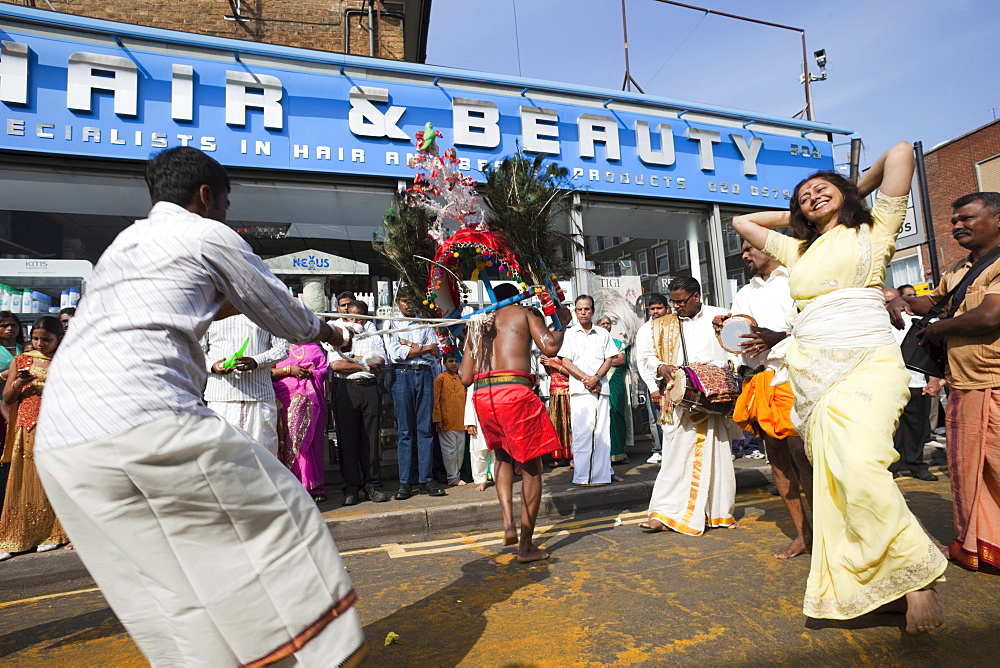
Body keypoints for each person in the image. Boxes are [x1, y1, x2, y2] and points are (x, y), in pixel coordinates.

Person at [33, 147, 365, 666]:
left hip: (62, 444)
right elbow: (283, 313)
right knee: (286, 511)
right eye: (226, 204)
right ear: (206, 196)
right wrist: (334, 330)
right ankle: (324, 653)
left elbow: (208, 298)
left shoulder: (127, 244)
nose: (227, 214)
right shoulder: (208, 233)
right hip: (145, 418)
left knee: (170, 589)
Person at [733, 140, 946, 634]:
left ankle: (918, 579)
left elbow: (899, 155)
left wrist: (853, 192)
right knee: (835, 478)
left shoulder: (874, 228)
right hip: (813, 373)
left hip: (868, 360)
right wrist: (802, 214)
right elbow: (746, 222)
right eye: (803, 195)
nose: (811, 196)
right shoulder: (798, 247)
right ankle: (879, 582)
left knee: (860, 463)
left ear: (848, 195)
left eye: (820, 189)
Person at [889, 191, 1000, 572]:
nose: (956, 226)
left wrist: (939, 329)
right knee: (970, 474)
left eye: (966, 218)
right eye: (954, 221)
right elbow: (933, 303)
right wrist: (900, 303)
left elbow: (990, 315)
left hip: (996, 385)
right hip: (963, 385)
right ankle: (981, 545)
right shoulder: (957, 269)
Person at [460, 282, 571, 562]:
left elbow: (464, 377)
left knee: (502, 458)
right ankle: (526, 547)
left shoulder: (477, 324)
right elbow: (550, 347)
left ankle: (508, 523)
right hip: (514, 392)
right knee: (532, 466)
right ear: (519, 297)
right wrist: (563, 323)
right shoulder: (524, 313)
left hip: (484, 396)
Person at [716, 241, 813, 559]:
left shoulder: (799, 280)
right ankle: (804, 535)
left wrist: (780, 336)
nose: (743, 254)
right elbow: (740, 338)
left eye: (749, 248)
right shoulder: (745, 293)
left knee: (804, 456)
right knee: (779, 460)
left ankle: (828, 534)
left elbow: (817, 326)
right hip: (761, 380)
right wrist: (725, 331)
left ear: (771, 248)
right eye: (741, 248)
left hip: (797, 375)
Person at [638, 277, 738, 536]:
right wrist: (661, 368)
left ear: (696, 296)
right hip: (679, 400)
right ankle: (663, 513)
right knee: (674, 457)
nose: (677, 307)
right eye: (674, 302)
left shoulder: (720, 316)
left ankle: (716, 512)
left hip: (714, 399)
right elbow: (645, 357)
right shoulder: (660, 326)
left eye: (682, 301)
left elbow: (737, 351)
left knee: (717, 456)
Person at [0, 317, 69, 561]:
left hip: (56, 427)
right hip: (26, 427)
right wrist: (19, 382)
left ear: (59, 339)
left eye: (46, 339)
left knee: (50, 478)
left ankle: (53, 533)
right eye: (36, 338)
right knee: (22, 480)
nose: (40, 343)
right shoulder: (21, 360)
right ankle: (16, 535)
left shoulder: (67, 362)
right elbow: (7, 398)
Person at [386, 294, 446, 500]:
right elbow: (395, 354)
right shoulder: (391, 323)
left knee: (425, 430)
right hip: (402, 375)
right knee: (405, 431)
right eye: (405, 301)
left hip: (424, 374)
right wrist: (424, 348)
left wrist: (411, 347)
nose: (409, 305)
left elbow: (435, 352)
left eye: (412, 301)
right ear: (398, 303)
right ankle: (405, 482)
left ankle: (426, 480)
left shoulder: (425, 322)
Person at [329, 300, 389, 506]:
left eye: (359, 317)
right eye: (350, 317)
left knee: (371, 439)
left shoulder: (372, 333)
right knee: (347, 440)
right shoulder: (337, 334)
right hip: (346, 389)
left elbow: (380, 361)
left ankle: (372, 485)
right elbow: (336, 365)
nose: (354, 321)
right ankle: (351, 487)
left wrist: (354, 361)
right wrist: (364, 363)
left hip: (369, 389)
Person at [204, 313, 288, 456]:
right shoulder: (209, 313)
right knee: (222, 455)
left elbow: (283, 348)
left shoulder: (265, 311)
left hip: (259, 397)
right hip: (221, 397)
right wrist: (213, 365)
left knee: (263, 454)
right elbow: (195, 351)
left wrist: (257, 361)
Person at [881, 287, 939, 482]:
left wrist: (933, 380)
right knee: (890, 429)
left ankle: (916, 465)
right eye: (885, 301)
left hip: (915, 382)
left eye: (892, 301)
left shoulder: (917, 322)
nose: (889, 305)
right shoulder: (876, 325)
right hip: (887, 385)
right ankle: (892, 467)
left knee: (916, 427)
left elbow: (928, 353)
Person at [559, 295, 617, 486]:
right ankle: (582, 476)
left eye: (587, 309)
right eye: (579, 309)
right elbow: (566, 361)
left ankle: (602, 475)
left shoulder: (602, 333)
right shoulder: (570, 333)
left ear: (593, 311)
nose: (583, 312)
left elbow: (609, 359)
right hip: (579, 390)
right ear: (575, 311)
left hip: (601, 388)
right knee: (582, 434)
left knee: (602, 434)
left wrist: (597, 378)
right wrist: (586, 379)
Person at [272, 341, 331, 503]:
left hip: (311, 401)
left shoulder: (314, 346)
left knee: (311, 442)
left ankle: (315, 487)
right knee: (288, 442)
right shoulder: (277, 346)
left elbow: (325, 370)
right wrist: (290, 370)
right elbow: (268, 372)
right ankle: (292, 486)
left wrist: (312, 373)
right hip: (285, 400)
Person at [635, 294, 670, 465]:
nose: (656, 312)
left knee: (676, 418)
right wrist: (652, 387)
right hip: (655, 380)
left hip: (676, 378)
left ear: (667, 308)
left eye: (659, 308)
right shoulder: (644, 331)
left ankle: (674, 451)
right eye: (653, 309)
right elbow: (642, 361)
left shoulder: (675, 327)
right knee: (656, 418)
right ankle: (659, 449)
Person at [597, 315, 630, 469]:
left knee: (616, 413)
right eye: (602, 323)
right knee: (602, 416)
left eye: (608, 323)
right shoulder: (594, 344)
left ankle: (619, 452)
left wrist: (602, 362)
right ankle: (605, 453)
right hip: (599, 382)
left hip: (615, 382)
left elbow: (621, 360)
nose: (605, 325)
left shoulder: (618, 343)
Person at [433, 354, 468, 486]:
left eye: (456, 361)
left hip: (461, 421)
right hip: (446, 422)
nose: (453, 364)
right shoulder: (440, 379)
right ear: (444, 363)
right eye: (450, 361)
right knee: (449, 452)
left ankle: (456, 475)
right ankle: (452, 478)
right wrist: (438, 419)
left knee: (459, 452)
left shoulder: (461, 379)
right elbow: (436, 400)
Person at [538, 352, 573, 467]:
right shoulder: (550, 352)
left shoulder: (568, 350)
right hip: (554, 392)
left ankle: (573, 457)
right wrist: (546, 365)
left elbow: (573, 373)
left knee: (568, 424)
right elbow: (551, 373)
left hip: (567, 392)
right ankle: (560, 456)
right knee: (556, 425)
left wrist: (555, 365)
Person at [464, 388, 492, 491]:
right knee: (478, 451)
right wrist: (470, 422)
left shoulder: (495, 375)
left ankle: (499, 477)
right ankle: (481, 480)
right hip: (478, 418)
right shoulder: (474, 381)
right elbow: (469, 402)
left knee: (497, 452)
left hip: (495, 417)